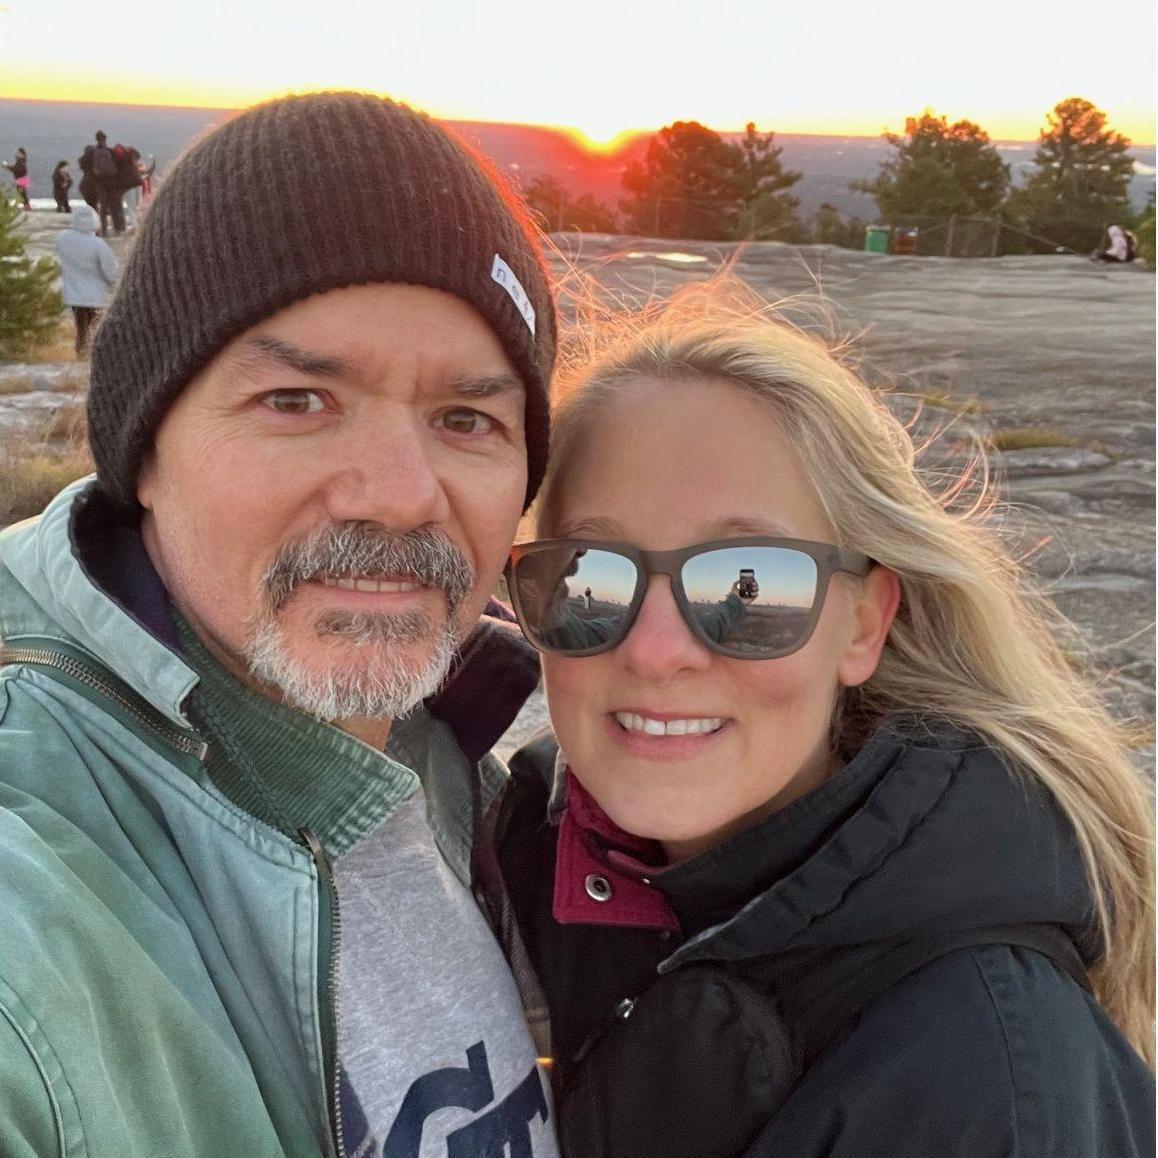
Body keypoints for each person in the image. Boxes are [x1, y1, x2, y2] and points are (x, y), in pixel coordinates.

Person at [0, 91, 559, 1158]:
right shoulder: (39, 906)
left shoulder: (452, 752)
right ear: (146, 454)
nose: (401, 494)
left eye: (466, 420)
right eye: (297, 401)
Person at [496, 282, 1155, 1157]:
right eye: (589, 575)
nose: (656, 652)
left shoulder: (978, 1074)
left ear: (864, 624)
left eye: (752, 586)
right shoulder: (518, 861)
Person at [54, 203, 118, 356]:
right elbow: (110, 271)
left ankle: (81, 354)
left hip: (74, 294)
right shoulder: (98, 244)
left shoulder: (63, 238)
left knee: (81, 329)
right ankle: (93, 357)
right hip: (96, 296)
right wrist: (114, 284)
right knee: (97, 330)